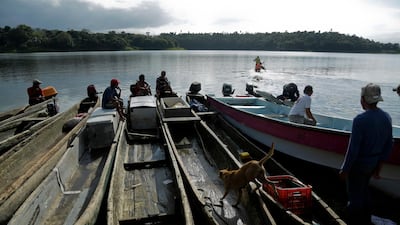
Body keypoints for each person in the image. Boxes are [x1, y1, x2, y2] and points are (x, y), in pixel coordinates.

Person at [339, 83, 393, 225]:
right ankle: (366, 219)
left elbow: (353, 149)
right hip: (373, 163)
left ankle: (351, 219)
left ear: (363, 99)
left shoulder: (360, 120)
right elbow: (389, 145)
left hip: (358, 165)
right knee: (364, 190)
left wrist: (345, 169)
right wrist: (379, 167)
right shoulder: (386, 117)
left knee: (355, 195)